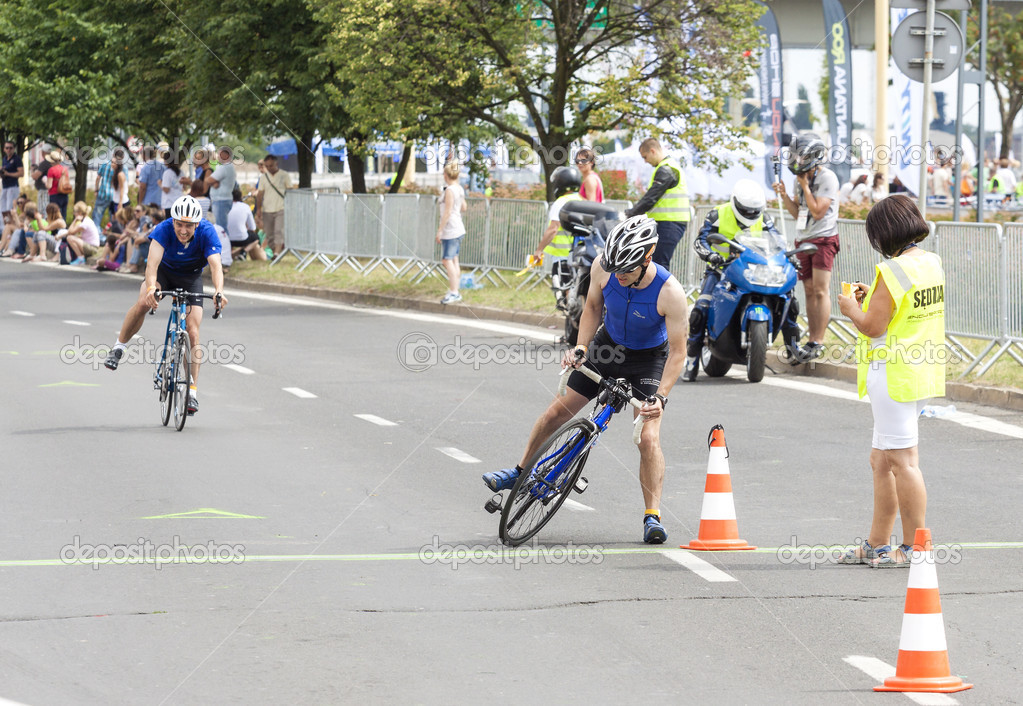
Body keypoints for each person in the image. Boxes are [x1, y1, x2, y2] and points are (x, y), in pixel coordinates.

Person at [484, 215, 689, 544]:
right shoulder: (602, 268)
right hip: (607, 348)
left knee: (647, 438)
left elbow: (679, 352)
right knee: (556, 413)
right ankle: (519, 472)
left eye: (626, 271)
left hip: (648, 360)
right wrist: (581, 346)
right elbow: (592, 306)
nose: (618, 276)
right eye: (615, 269)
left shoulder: (670, 292)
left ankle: (652, 516)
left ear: (647, 259)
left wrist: (660, 396)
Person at [836, 195, 944, 568]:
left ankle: (916, 546)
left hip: (894, 373)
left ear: (882, 233)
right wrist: (874, 297)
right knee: (881, 460)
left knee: (901, 461)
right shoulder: (931, 263)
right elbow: (902, 310)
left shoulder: (892, 271)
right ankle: (878, 543)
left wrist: (851, 307)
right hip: (920, 370)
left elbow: (873, 326)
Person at [104, 195, 227, 416]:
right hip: (164, 273)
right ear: (173, 221)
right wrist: (151, 289)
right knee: (143, 302)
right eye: (179, 224)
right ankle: (118, 347)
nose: (182, 230)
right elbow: (151, 265)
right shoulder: (163, 229)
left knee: (193, 332)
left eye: (188, 226)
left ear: (197, 224)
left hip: (190, 278)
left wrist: (219, 291)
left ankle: (192, 392)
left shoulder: (207, 232)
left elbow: (216, 266)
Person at [682, 179, 803, 381]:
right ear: (735, 203)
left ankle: (793, 348)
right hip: (720, 270)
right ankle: (692, 360)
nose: (750, 215)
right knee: (700, 308)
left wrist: (790, 257)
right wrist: (710, 255)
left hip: (752, 269)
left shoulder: (764, 218)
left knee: (790, 299)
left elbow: (778, 241)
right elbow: (700, 241)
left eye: (754, 211)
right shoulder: (717, 214)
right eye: (745, 210)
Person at [772, 132, 840, 360]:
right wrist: (784, 196)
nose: (798, 162)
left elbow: (818, 211)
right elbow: (798, 213)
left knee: (821, 290)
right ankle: (811, 338)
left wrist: (805, 187)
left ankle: (819, 340)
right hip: (804, 240)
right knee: (809, 291)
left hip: (823, 239)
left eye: (802, 157)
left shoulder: (827, 178)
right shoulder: (798, 181)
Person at [624, 138, 691, 270]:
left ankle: (661, 291)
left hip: (670, 224)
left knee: (659, 265)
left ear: (653, 151)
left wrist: (631, 214)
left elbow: (651, 197)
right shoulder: (667, 167)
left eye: (645, 156)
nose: (645, 161)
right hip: (668, 223)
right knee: (655, 263)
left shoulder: (666, 170)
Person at [436, 162, 467, 304]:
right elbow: (464, 207)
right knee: (454, 259)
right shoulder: (459, 189)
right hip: (458, 227)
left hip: (451, 229)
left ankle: (454, 292)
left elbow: (447, 212)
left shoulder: (449, 190)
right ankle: (455, 289)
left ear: (446, 175)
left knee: (447, 260)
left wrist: (440, 230)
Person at [255, 153, 290, 256]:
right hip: (267, 210)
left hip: (281, 208)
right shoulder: (263, 178)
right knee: (269, 234)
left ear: (276, 164)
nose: (269, 168)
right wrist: (258, 209)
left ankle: (276, 253)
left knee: (278, 231)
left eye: (271, 165)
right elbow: (260, 194)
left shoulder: (284, 175)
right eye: (267, 166)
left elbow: (290, 191)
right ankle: (276, 252)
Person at [226, 186, 267, 262]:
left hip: (227, 238)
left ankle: (230, 255)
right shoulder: (245, 207)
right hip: (242, 238)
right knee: (255, 238)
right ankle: (243, 252)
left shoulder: (225, 207)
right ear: (240, 197)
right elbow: (253, 228)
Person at [205, 145, 237, 228]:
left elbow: (208, 180)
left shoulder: (224, 167)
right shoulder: (229, 167)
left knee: (221, 228)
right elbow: (213, 182)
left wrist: (213, 181)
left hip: (221, 201)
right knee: (221, 226)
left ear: (225, 155)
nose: (217, 157)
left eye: (219, 154)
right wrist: (214, 182)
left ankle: (223, 241)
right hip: (222, 200)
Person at [64, 200, 101, 265]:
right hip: (91, 246)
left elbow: (70, 232)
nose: (74, 214)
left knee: (70, 238)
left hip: (92, 248)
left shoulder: (84, 223)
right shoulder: (87, 220)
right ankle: (80, 258)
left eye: (75, 212)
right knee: (74, 237)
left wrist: (75, 220)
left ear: (79, 213)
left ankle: (80, 258)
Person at [1, 140, 25, 221]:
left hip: (13, 186)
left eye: (10, 148)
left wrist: (8, 174)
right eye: (7, 148)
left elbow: (21, 173)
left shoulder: (16, 159)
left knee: (10, 208)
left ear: (14, 149)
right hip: (5, 186)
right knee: (2, 208)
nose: (8, 150)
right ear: (4, 149)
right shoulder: (4, 159)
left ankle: (11, 226)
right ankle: (5, 227)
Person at [45, 149, 70, 220]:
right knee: (63, 214)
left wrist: (44, 182)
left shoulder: (51, 170)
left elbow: (49, 186)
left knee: (54, 214)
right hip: (64, 194)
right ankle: (63, 229)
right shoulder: (64, 169)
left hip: (54, 195)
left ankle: (55, 230)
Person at [161, 152, 186, 218]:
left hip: (170, 204)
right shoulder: (181, 172)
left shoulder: (167, 173)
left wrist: (160, 184)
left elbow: (166, 189)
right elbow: (184, 187)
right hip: (179, 202)